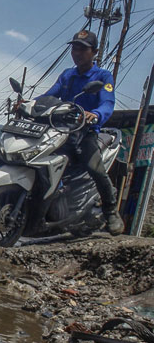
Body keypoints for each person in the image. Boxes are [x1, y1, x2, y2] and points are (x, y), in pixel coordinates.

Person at [41, 29, 123, 235]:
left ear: (94, 52)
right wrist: (29, 105)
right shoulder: (67, 75)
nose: (77, 52)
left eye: (83, 49)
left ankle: (111, 211)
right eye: (75, 48)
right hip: (60, 132)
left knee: (95, 168)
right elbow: (50, 95)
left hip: (85, 134)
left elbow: (107, 104)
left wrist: (94, 115)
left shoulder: (102, 76)